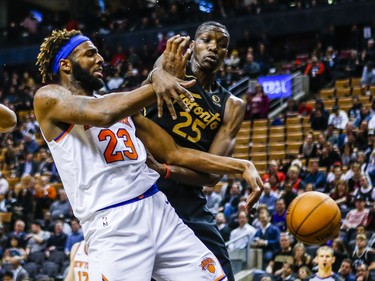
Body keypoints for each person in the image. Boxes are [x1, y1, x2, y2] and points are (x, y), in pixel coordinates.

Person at [34, 29, 263, 280]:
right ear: (65, 65)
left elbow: (173, 153)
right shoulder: (49, 97)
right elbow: (103, 113)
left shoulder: (120, 105)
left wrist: (240, 166)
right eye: (90, 54)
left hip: (158, 208)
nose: (100, 59)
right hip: (115, 223)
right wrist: (158, 80)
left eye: (99, 53)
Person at [145, 21, 248, 281]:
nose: (214, 47)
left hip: (185, 193)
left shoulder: (232, 105)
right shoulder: (172, 64)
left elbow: (211, 175)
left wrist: (167, 171)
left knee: (221, 272)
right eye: (206, 40)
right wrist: (157, 74)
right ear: (192, 45)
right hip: (141, 182)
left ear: (226, 54)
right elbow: (155, 76)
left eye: (222, 44)